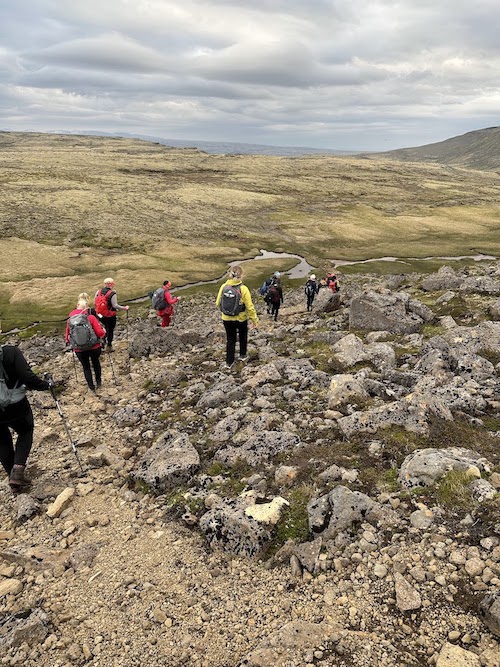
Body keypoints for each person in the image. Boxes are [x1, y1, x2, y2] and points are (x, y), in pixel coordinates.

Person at [0, 344, 51, 493]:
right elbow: (28, 377)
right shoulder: (10, 352)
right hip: (16, 405)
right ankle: (17, 471)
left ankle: (13, 478)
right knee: (25, 431)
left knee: (2, 441)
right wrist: (45, 385)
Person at [216, 265, 259, 369]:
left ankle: (229, 362)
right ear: (241, 275)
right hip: (241, 319)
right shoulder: (243, 289)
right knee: (243, 337)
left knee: (230, 340)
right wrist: (254, 320)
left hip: (226, 318)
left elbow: (218, 303)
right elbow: (250, 307)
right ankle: (243, 356)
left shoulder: (223, 287)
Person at [66, 296, 106, 392]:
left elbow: (67, 336)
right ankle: (98, 382)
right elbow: (100, 333)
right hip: (94, 347)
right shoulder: (91, 318)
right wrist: (104, 332)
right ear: (86, 307)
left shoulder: (70, 320)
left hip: (79, 349)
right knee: (96, 363)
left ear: (77, 306)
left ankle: (91, 386)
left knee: (86, 367)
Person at [94, 278, 129, 351]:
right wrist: (124, 308)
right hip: (110, 316)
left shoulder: (98, 292)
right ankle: (109, 346)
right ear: (111, 284)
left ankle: (102, 338)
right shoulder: (112, 293)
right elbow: (115, 305)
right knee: (110, 330)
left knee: (104, 327)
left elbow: (95, 302)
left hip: (100, 315)